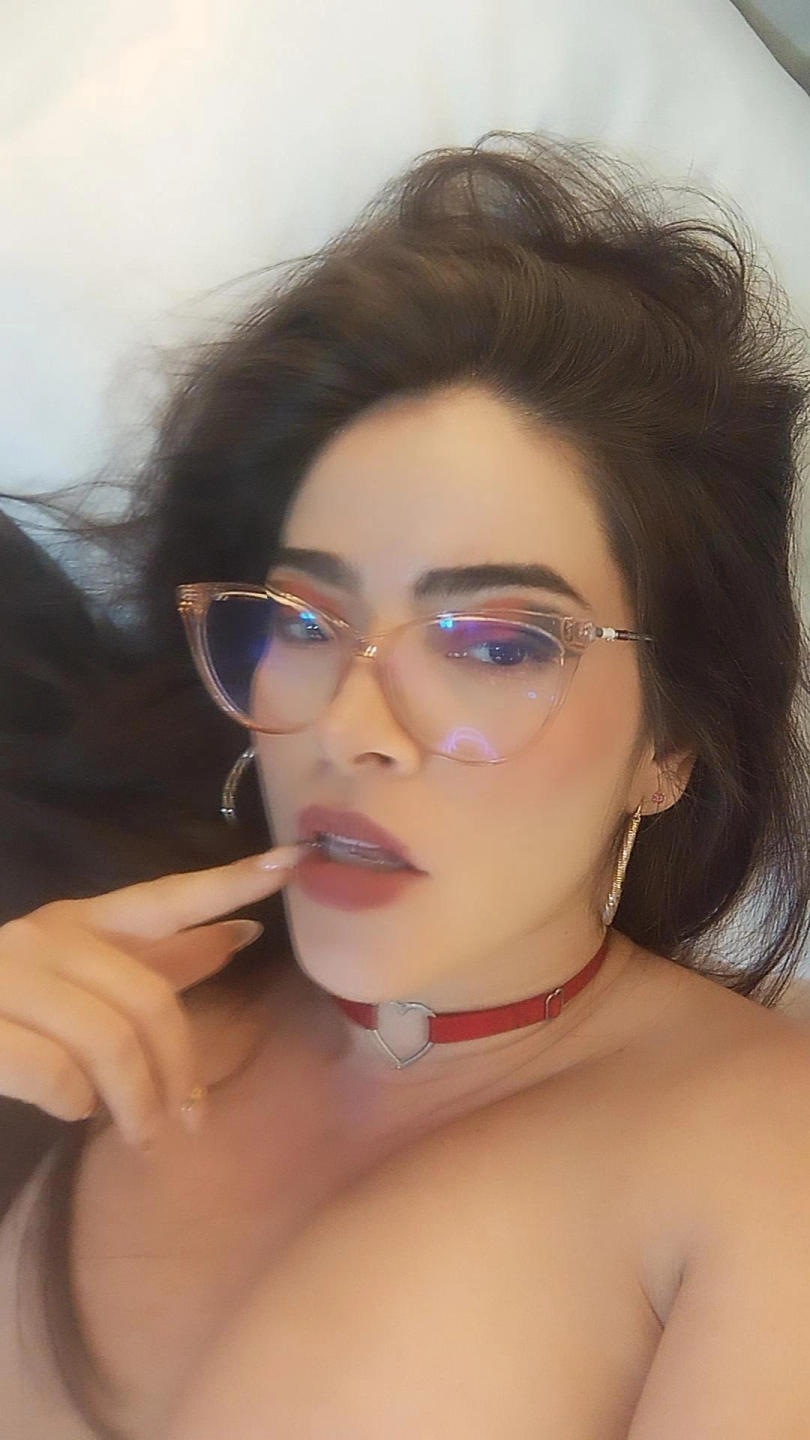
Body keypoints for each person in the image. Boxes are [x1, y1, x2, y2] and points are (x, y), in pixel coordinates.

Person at [0, 129, 809, 1439]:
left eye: (494, 644)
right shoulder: (99, 988)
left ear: (669, 748)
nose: (351, 727)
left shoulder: (762, 1151)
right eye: (303, 623)